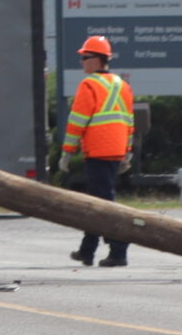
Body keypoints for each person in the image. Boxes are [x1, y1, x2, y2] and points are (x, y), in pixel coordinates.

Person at [56, 34, 136, 268]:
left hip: (98, 150)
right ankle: (87, 250)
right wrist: (127, 151)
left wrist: (67, 151)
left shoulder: (89, 85)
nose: (82, 61)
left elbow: (77, 121)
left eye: (85, 57)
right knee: (97, 201)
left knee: (103, 204)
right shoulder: (122, 85)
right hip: (115, 149)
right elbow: (129, 120)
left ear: (97, 60)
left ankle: (119, 250)